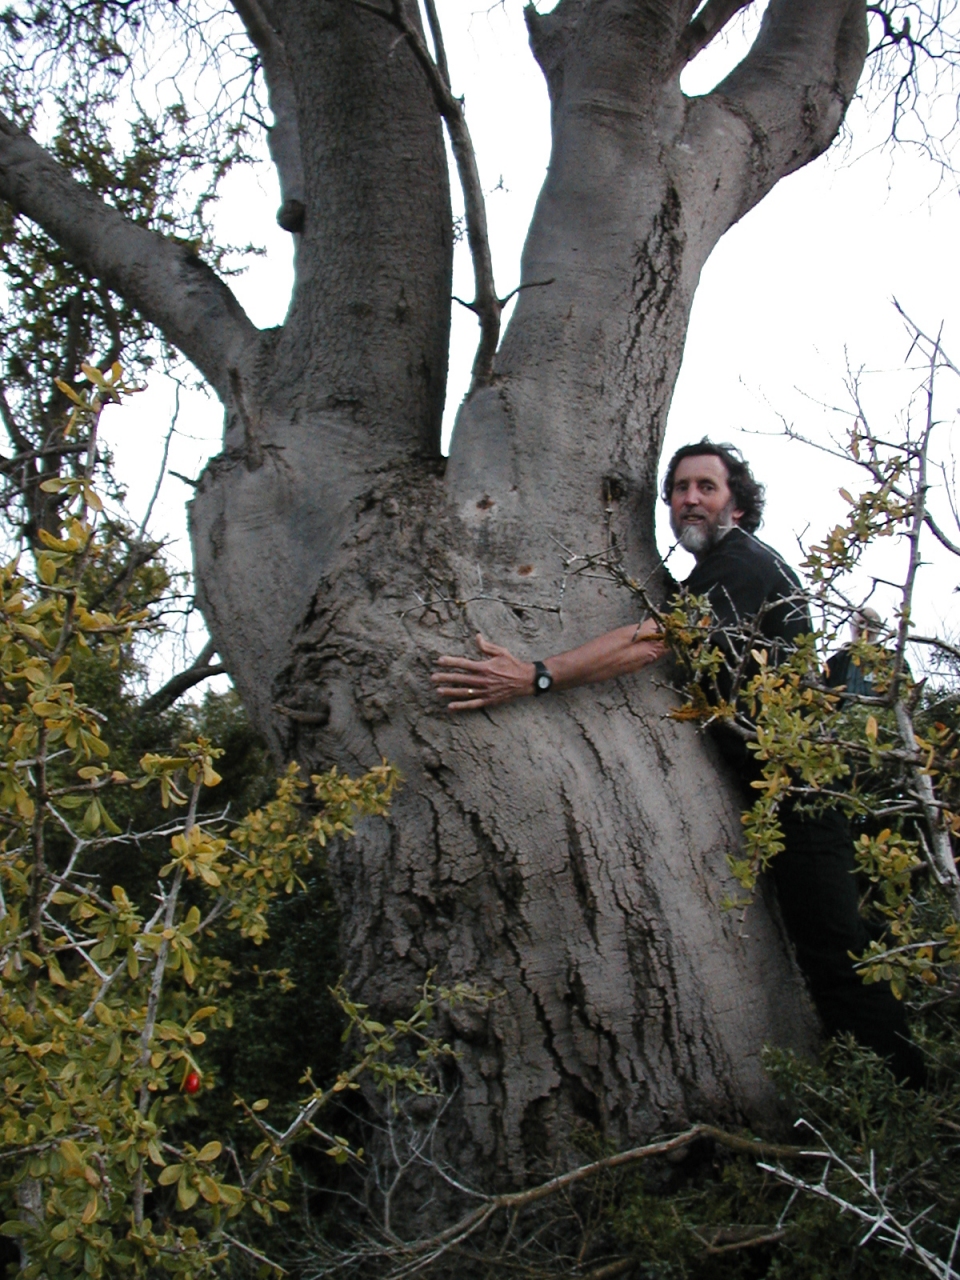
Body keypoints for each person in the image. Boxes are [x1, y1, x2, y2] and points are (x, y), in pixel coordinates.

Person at [432, 441, 925, 1087]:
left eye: (706, 487)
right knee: (825, 948)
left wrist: (536, 674)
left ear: (738, 506)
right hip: (777, 794)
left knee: (837, 958)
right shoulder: (712, 576)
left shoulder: (744, 563)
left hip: (803, 792)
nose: (689, 499)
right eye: (678, 489)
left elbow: (655, 640)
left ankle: (903, 1110)